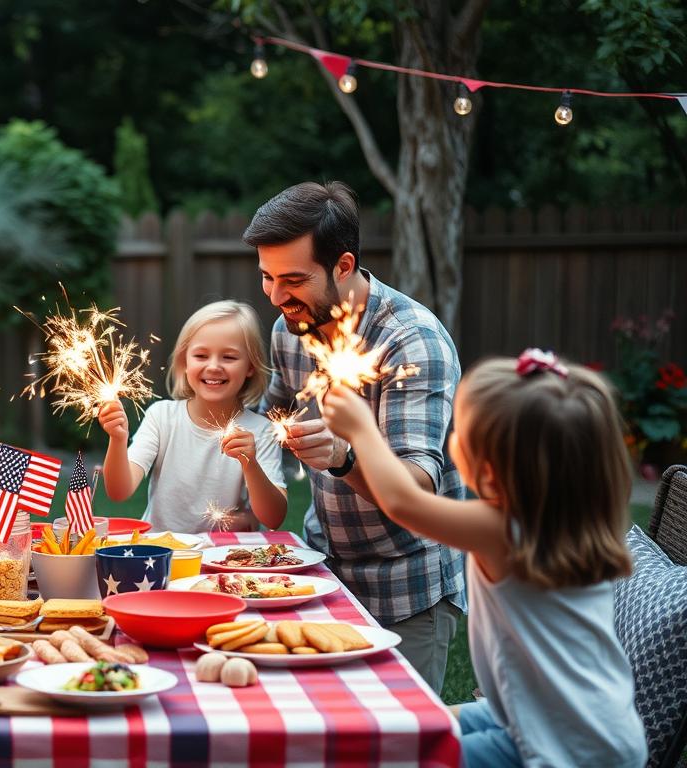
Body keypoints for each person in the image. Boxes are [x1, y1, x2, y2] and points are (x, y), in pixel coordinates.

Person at [322, 351, 647, 767]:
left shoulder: (505, 530)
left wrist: (362, 430)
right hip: (583, 723)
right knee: (412, 727)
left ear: (491, 472)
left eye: (460, 433)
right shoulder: (574, 523)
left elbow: (404, 504)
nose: (451, 438)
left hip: (560, 747)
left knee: (399, 756)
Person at [245, 181, 466, 692]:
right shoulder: (290, 329)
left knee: (397, 739)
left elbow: (416, 491)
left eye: (293, 280)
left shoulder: (412, 341)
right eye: (267, 278)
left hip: (407, 585)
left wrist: (344, 458)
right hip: (321, 570)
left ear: (343, 266)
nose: (277, 298)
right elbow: (268, 416)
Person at [97, 300, 287, 533]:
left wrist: (251, 465)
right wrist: (117, 439)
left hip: (224, 560)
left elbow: (274, 518)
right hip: (163, 556)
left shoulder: (262, 431)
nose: (214, 366)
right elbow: (119, 491)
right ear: (184, 362)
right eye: (201, 355)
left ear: (251, 366)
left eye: (229, 357)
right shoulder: (162, 417)